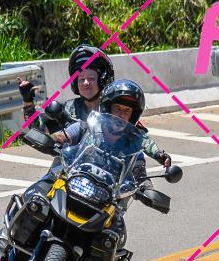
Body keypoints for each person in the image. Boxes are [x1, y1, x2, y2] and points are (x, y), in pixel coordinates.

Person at [0, 81, 153, 261]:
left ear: (133, 115)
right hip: (68, 182)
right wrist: (50, 141)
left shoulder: (133, 148)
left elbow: (141, 176)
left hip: (105, 200)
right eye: (117, 108)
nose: (121, 114)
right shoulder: (86, 127)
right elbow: (60, 137)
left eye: (126, 111)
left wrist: (146, 190)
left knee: (114, 236)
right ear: (107, 107)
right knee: (35, 198)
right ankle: (5, 250)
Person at [19, 44, 172, 169]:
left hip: (108, 174)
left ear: (103, 79)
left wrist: (159, 155)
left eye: (91, 78)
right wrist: (28, 102)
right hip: (71, 170)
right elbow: (37, 128)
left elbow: (139, 136)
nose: (85, 83)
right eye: (81, 79)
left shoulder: (116, 109)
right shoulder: (67, 108)